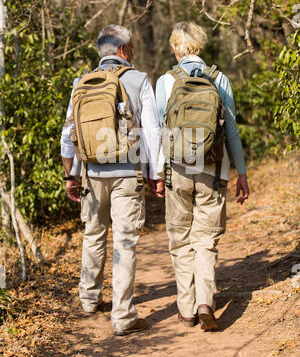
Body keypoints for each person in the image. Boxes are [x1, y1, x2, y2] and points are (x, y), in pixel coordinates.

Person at [61, 25, 164, 336]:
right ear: (123, 50)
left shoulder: (81, 83)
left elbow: (68, 136)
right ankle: (123, 316)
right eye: (130, 48)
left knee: (92, 235)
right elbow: (152, 132)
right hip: (127, 174)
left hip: (91, 172)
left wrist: (70, 174)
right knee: (125, 242)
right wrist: (155, 173)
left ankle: (89, 300)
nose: (131, 53)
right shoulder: (139, 80)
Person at [155, 21, 249, 331]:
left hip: (178, 168)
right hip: (214, 166)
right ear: (201, 45)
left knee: (181, 238)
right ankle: (205, 301)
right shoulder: (219, 78)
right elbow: (231, 130)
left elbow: (159, 133)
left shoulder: (166, 82)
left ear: (174, 47)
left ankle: (186, 309)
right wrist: (242, 173)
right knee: (206, 238)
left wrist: (157, 173)